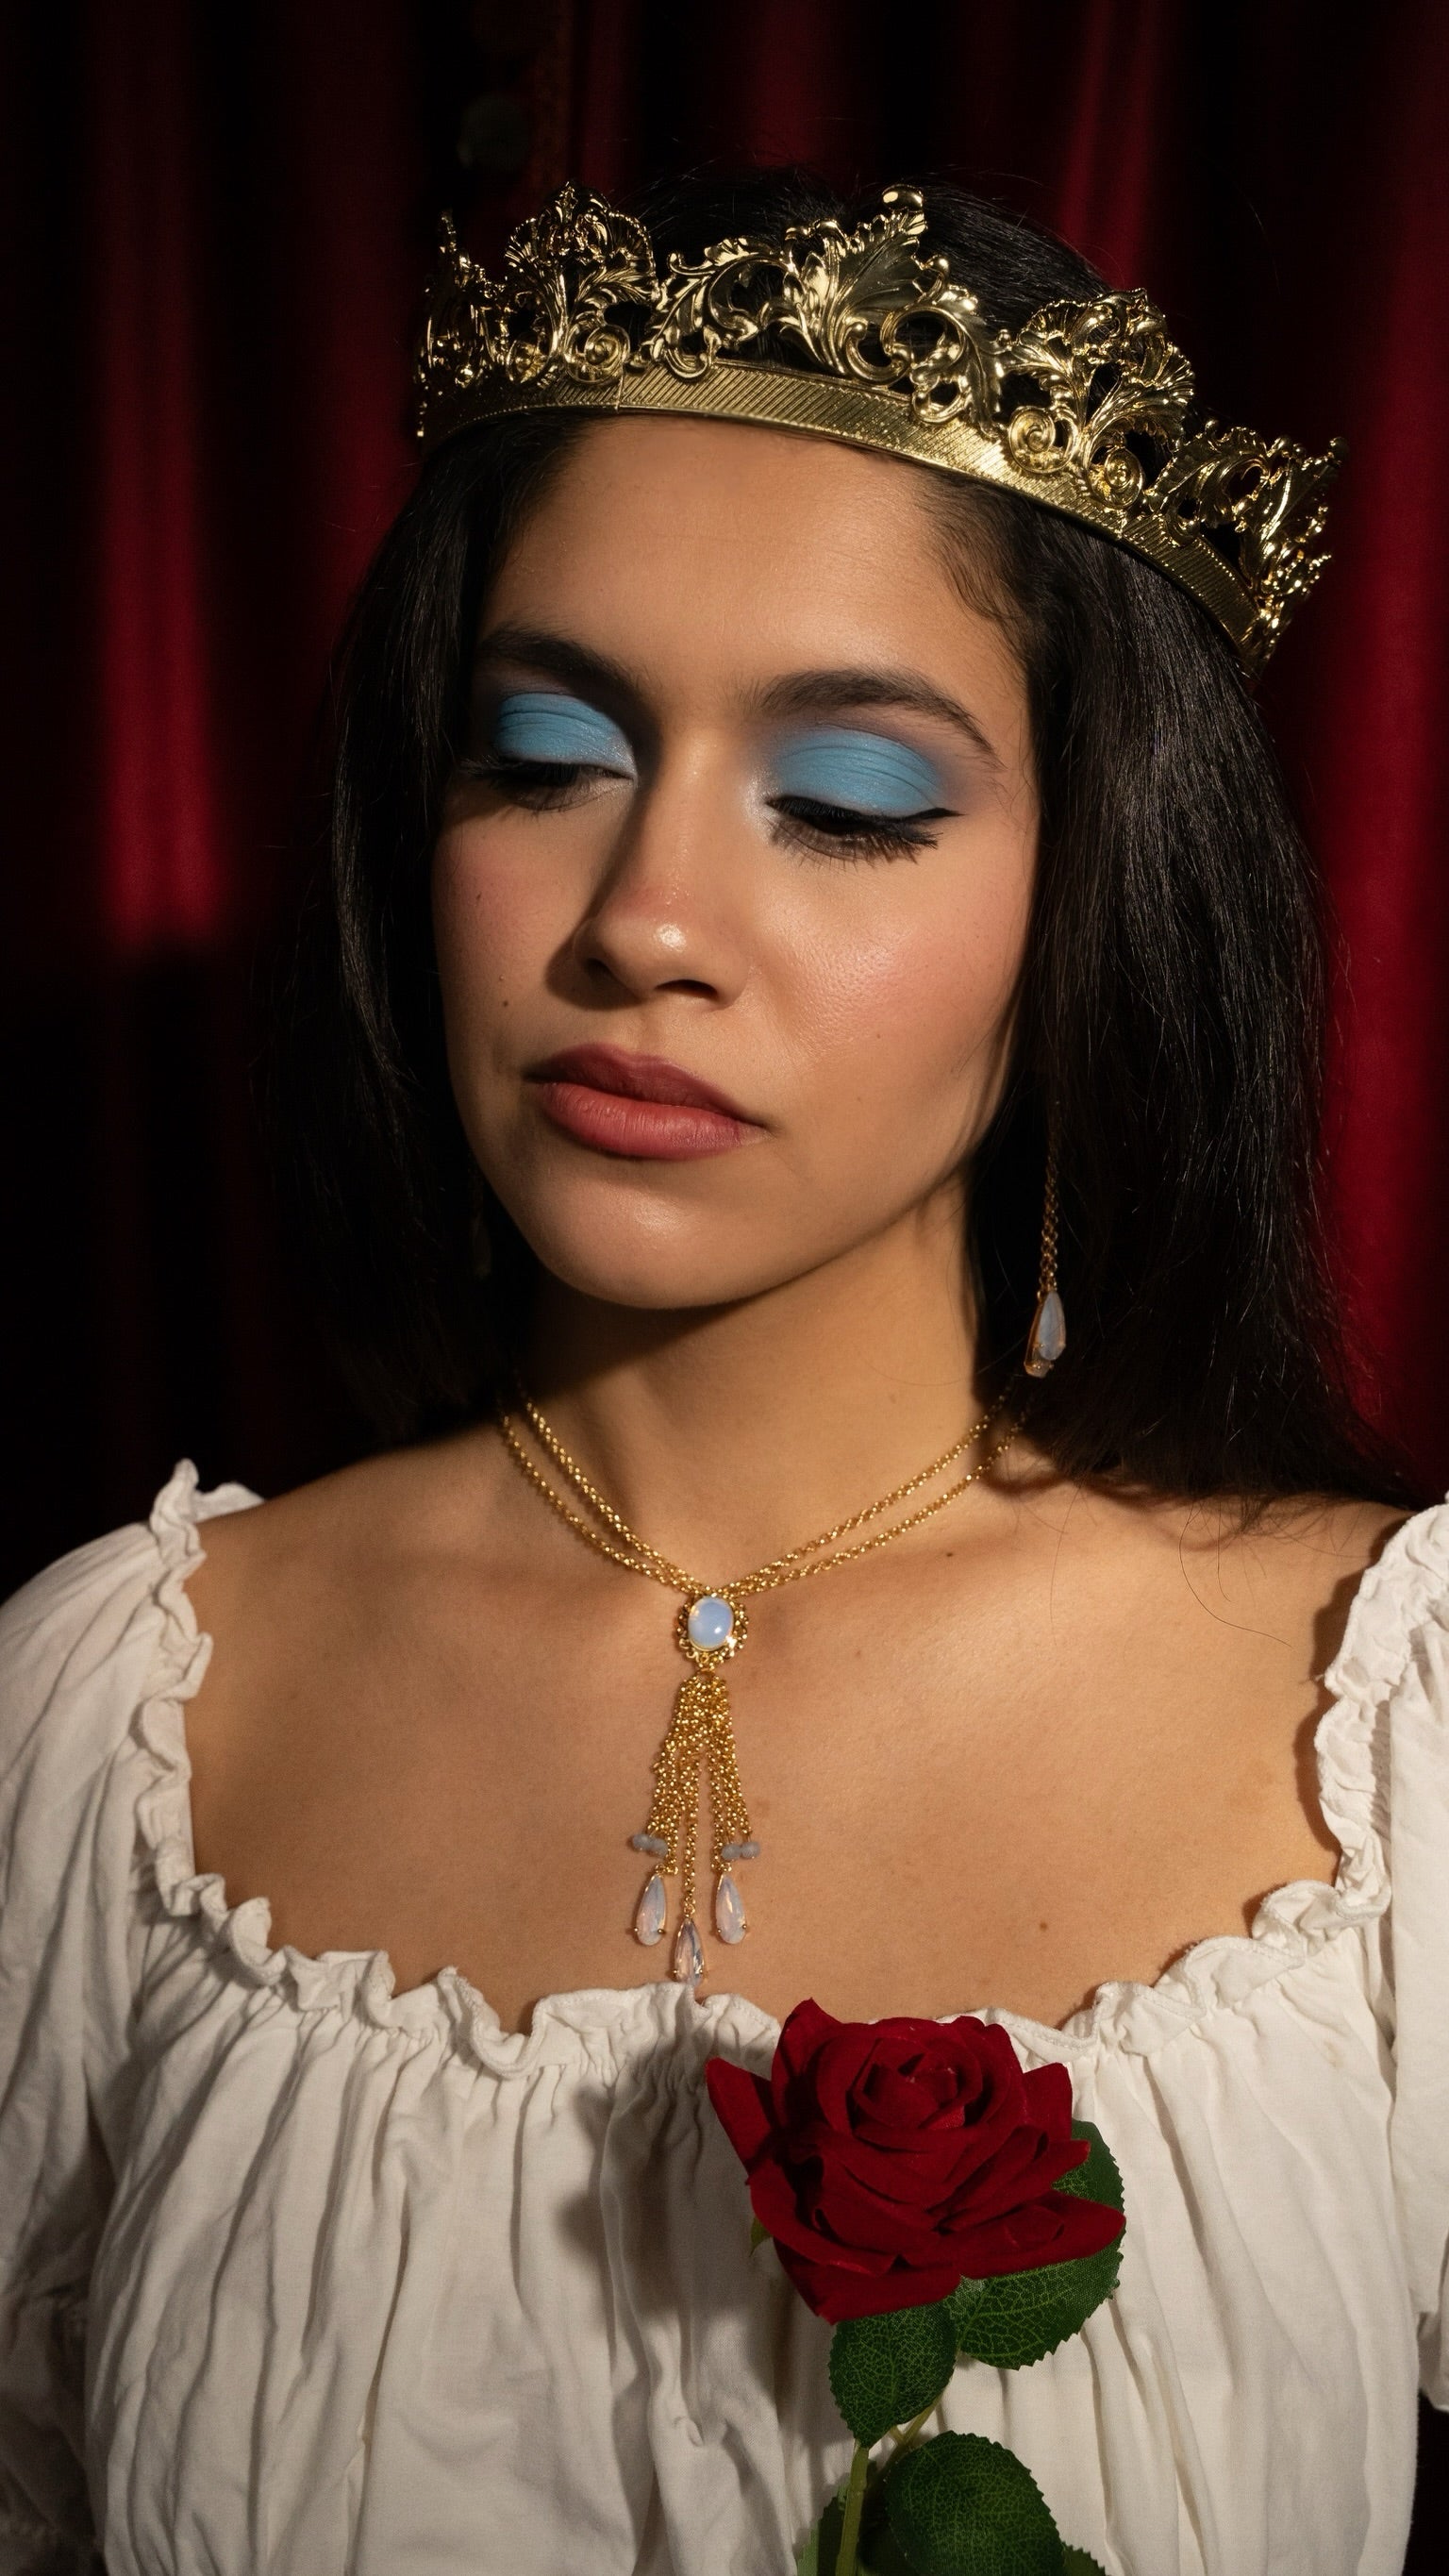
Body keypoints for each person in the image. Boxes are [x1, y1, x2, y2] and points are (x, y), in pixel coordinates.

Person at [0, 169, 1442, 2576]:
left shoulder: (1387, 1733)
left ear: (1097, 891)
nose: (646, 918)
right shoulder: (120, 1723)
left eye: (848, 803)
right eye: (542, 754)